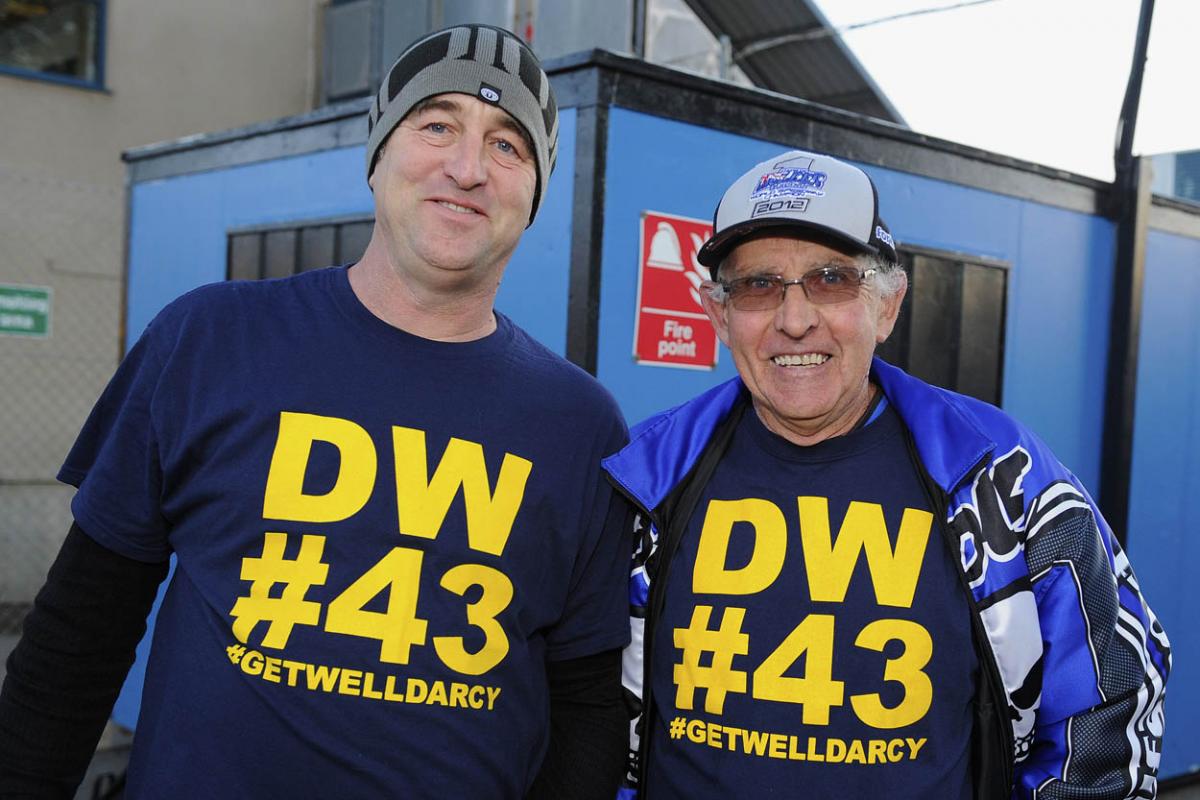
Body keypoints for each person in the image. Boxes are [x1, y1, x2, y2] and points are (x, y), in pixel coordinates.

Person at [0, 24, 632, 799]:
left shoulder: (582, 424)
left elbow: (587, 705)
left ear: (535, 190)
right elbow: (78, 635)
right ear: (378, 154)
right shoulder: (209, 338)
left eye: (509, 146)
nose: (468, 168)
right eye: (436, 125)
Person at [604, 150, 1170, 799]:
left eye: (831, 279)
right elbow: (582, 709)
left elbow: (1114, 701)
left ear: (889, 305)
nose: (794, 321)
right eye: (759, 285)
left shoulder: (1002, 477)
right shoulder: (646, 479)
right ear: (717, 314)